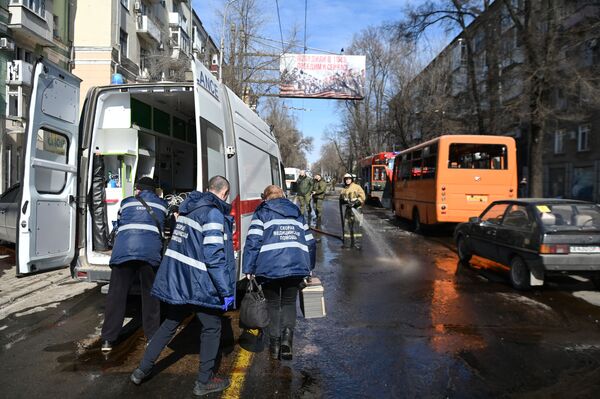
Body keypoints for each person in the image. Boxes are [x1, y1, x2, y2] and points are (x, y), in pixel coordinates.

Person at [129, 176, 236, 397]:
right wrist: (226, 291)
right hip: (200, 284)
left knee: (169, 324)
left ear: (208, 189)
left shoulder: (189, 209)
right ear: (225, 193)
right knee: (212, 327)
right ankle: (204, 381)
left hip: (181, 281)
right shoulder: (213, 214)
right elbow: (214, 256)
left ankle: (141, 370)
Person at [242, 185, 316, 361]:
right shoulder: (296, 213)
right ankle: (287, 342)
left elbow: (253, 241)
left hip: (269, 269)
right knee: (289, 303)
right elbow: (310, 242)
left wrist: (248, 268)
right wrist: (309, 267)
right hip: (296, 266)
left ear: (266, 197)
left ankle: (274, 346)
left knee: (273, 305)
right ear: (282, 196)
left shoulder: (262, 212)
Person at [101, 177, 167, 352]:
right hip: (149, 254)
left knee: (116, 296)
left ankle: (108, 340)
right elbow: (166, 227)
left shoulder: (126, 203)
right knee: (150, 297)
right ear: (154, 191)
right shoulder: (162, 204)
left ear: (137, 190)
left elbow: (121, 222)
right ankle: (152, 337)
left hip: (123, 252)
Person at [339, 173, 366, 250]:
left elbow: (363, 197)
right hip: (348, 210)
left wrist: (356, 202)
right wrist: (343, 200)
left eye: (349, 179)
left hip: (357, 209)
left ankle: (357, 245)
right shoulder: (344, 189)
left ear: (352, 179)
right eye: (346, 179)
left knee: (357, 227)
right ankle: (347, 244)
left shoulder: (357, 187)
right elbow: (341, 198)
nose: (347, 180)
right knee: (346, 227)